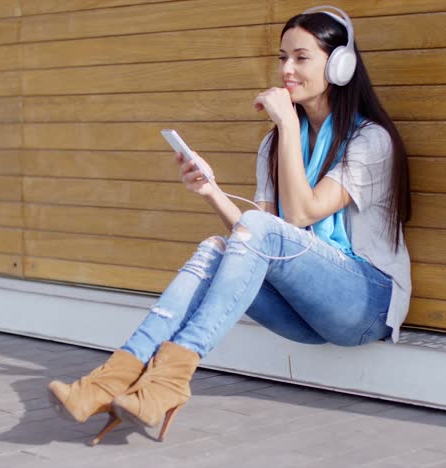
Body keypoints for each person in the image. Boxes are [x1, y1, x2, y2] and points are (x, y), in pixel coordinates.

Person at [47, 5, 411, 446]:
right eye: (282, 58)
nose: (287, 70)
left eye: (301, 57)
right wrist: (212, 191)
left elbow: (298, 217)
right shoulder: (274, 144)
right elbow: (255, 240)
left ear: (339, 65)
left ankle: (165, 382)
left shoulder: (370, 140)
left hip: (365, 303)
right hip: (306, 309)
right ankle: (116, 379)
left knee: (257, 229)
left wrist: (287, 128)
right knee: (217, 248)